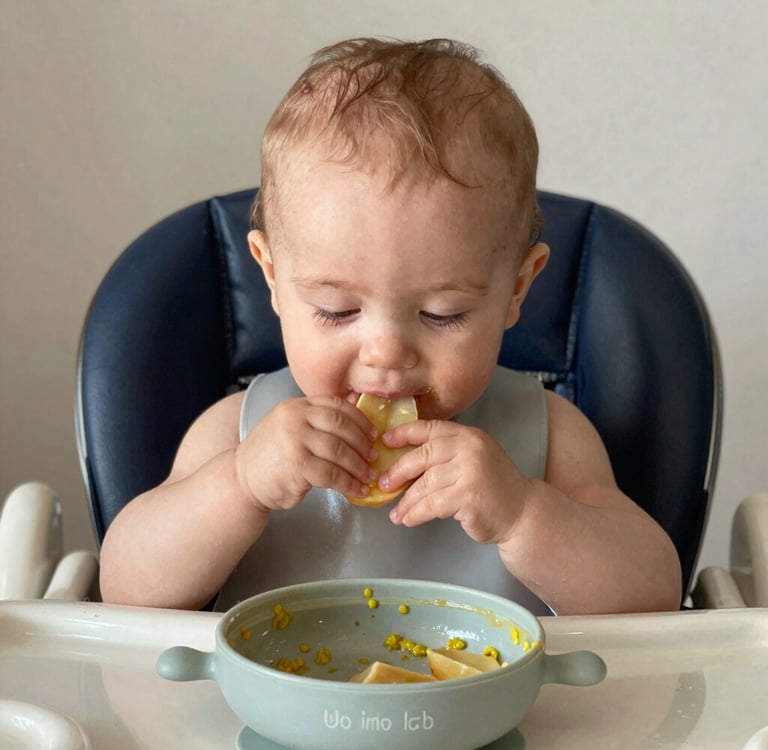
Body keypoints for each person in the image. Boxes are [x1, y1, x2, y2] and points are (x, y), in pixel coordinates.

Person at [99, 37, 682, 614]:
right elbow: (125, 588)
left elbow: (651, 596)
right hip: (276, 707)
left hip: (500, 708)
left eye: (441, 315)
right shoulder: (238, 432)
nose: (385, 353)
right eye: (337, 310)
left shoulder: (550, 437)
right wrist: (240, 486)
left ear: (517, 289)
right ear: (273, 279)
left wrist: (525, 513)